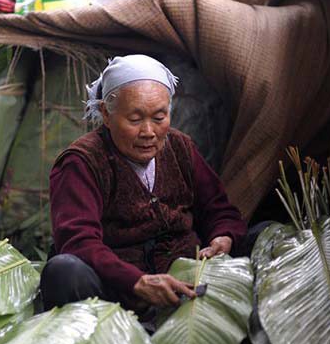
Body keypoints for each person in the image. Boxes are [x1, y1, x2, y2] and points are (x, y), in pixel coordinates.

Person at [41, 54, 247, 315]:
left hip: (185, 284)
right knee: (63, 271)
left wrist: (223, 236)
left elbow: (219, 210)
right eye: (135, 119)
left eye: (159, 118)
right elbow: (78, 242)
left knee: (261, 236)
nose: (149, 131)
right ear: (106, 113)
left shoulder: (180, 147)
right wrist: (135, 282)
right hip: (116, 293)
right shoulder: (81, 162)